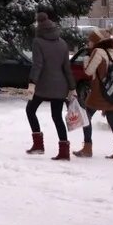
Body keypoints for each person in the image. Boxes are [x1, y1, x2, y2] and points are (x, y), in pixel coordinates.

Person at [26, 10, 75, 160]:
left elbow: (38, 65)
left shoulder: (37, 42)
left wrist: (32, 82)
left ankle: (38, 144)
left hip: (43, 85)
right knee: (57, 116)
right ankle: (64, 150)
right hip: (61, 86)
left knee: (30, 109)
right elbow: (67, 67)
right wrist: (72, 87)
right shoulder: (62, 43)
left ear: (39, 27)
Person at [74, 30, 113, 159]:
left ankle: (87, 147)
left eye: (90, 40)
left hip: (99, 92)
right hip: (111, 91)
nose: (88, 43)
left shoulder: (97, 52)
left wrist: (86, 58)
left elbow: (89, 72)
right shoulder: (111, 53)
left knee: (85, 117)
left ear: (96, 41)